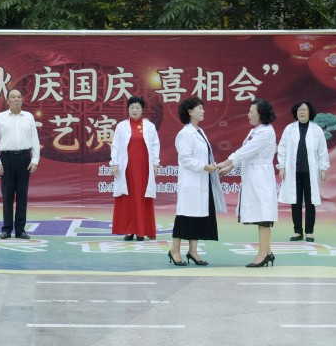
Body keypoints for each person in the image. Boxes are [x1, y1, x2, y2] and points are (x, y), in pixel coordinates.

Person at [218, 99, 279, 267]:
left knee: (264, 216)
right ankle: (268, 252)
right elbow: (247, 154)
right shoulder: (256, 130)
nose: (248, 114)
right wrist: (230, 167)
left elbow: (246, 151)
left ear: (261, 114)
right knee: (261, 213)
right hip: (254, 176)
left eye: (252, 112)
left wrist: (226, 162)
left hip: (261, 177)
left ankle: (263, 254)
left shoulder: (266, 132)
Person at [168, 96, 224, 266]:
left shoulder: (199, 131)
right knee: (184, 217)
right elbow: (185, 159)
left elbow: (204, 155)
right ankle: (174, 250)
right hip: (191, 182)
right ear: (190, 112)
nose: (203, 111)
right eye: (199, 108)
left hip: (202, 180)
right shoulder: (185, 133)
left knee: (198, 217)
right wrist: (204, 167)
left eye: (202, 108)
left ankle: (193, 251)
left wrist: (211, 166)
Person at [110, 95, 162, 241]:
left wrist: (155, 164)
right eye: (132, 107)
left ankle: (142, 231)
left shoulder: (149, 126)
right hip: (127, 167)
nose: (134, 110)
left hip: (144, 167)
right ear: (128, 109)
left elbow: (155, 145)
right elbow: (115, 146)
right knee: (128, 198)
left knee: (142, 197)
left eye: (137, 107)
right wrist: (114, 163)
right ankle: (129, 230)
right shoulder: (121, 126)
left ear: (142, 110)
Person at [277, 100, 330, 243]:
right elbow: (282, 148)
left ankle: (309, 232)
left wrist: (323, 168)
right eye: (299, 109)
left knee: (310, 201)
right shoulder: (289, 129)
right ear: (296, 112)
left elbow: (322, 150)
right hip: (294, 171)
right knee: (295, 201)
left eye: (304, 110)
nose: (301, 112)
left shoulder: (316, 130)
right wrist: (281, 167)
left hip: (310, 172)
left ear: (309, 112)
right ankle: (297, 231)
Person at [0, 88, 40, 239]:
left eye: (19, 97)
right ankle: (6, 229)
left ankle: (20, 229)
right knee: (7, 194)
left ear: (22, 100)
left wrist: (35, 160)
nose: (16, 99)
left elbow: (34, 140)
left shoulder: (29, 117)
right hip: (7, 158)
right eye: (13, 97)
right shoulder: (0, 117)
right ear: (7, 100)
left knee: (22, 195)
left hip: (24, 158)